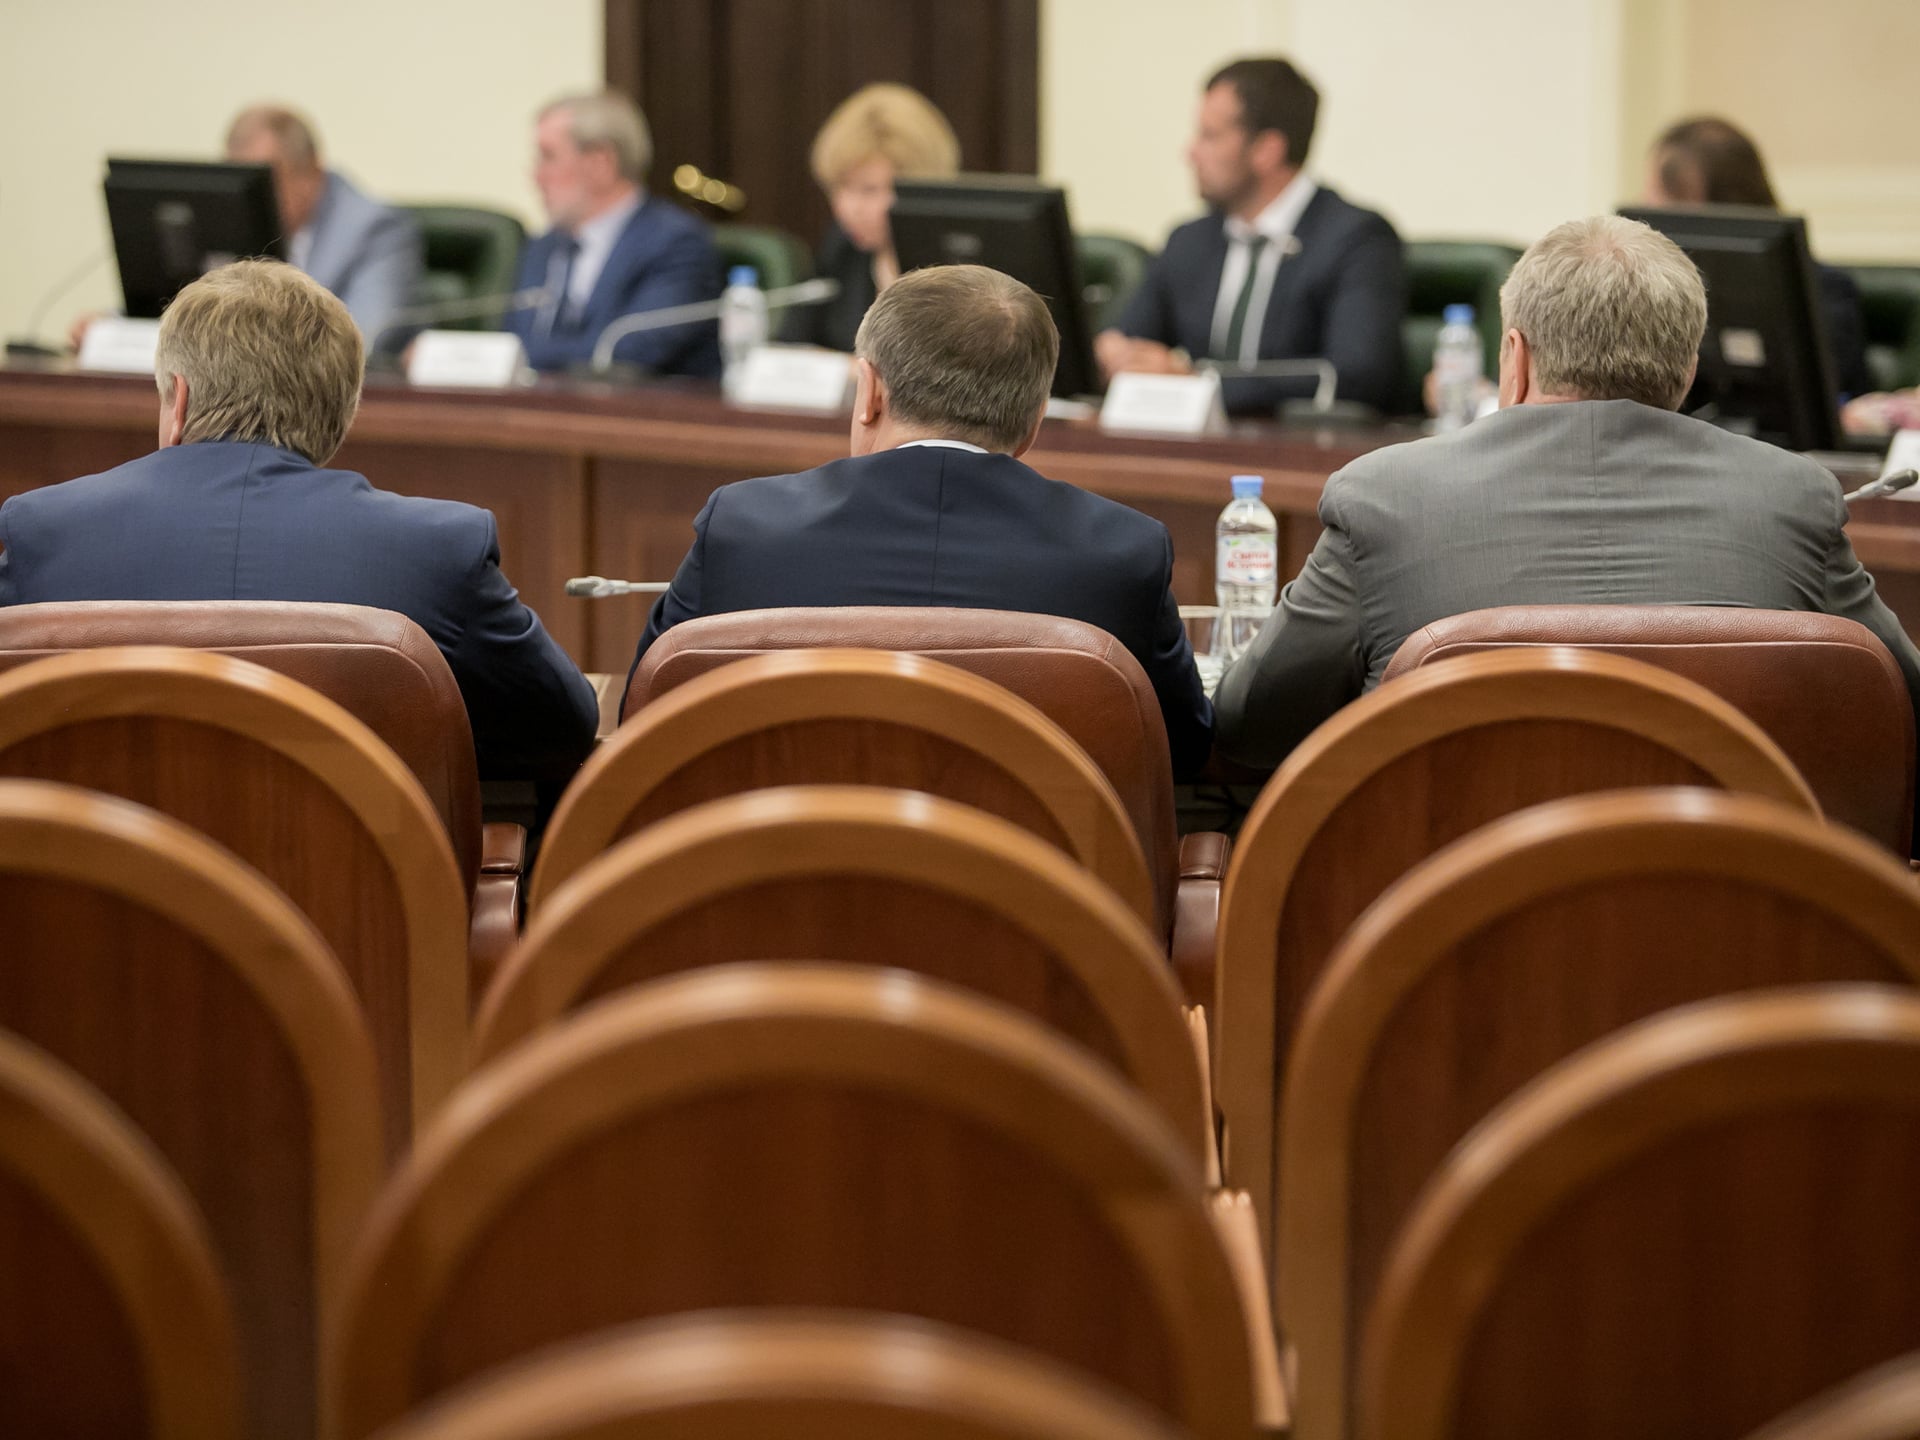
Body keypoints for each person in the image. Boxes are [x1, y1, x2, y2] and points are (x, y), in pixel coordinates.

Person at [1214, 214, 1920, 770]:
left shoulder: (1384, 496)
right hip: (1727, 923)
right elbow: (1905, 715)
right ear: (1686, 373)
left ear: (1513, 360)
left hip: (1441, 924)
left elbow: (1253, 724)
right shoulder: (1795, 497)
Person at [2, 260, 598, 784]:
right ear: (339, 414)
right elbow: (563, 729)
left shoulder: (43, 533)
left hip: (94, 902)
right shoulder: (435, 549)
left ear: (176, 400)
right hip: (359, 902)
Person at [634, 263, 1213, 779]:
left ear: (868, 392)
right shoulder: (1122, 551)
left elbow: (643, 714)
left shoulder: (742, 526)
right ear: (1036, 419)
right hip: (1038, 893)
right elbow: (1184, 752)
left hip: (780, 884)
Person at [1096, 57, 1406, 417]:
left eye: (1209, 136)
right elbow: (1135, 339)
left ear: (1266, 150)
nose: (1190, 153)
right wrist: (1115, 352)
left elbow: (1359, 376)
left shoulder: (1357, 240)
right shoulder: (1189, 241)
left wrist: (1199, 380)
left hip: (1300, 457)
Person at [70, 104, 422, 351]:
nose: (247, 196)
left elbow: (363, 339)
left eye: (261, 180)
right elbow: (190, 298)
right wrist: (115, 327)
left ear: (310, 170)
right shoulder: (233, 217)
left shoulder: (373, 228)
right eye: (236, 179)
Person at [1644, 116, 1870, 401]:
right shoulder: (1662, 294)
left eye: (1658, 196)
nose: (1647, 211)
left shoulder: (1826, 295)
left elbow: (1813, 400)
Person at [505, 90, 722, 377]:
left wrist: (522, 358)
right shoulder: (542, 247)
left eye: (548, 157)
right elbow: (511, 341)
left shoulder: (676, 244)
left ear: (600, 163)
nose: (536, 176)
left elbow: (628, 353)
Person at [785, 83, 962, 354]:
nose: (848, 207)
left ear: (918, 187)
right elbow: (790, 344)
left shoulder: (957, 264)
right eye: (839, 187)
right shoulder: (843, 246)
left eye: (869, 190)